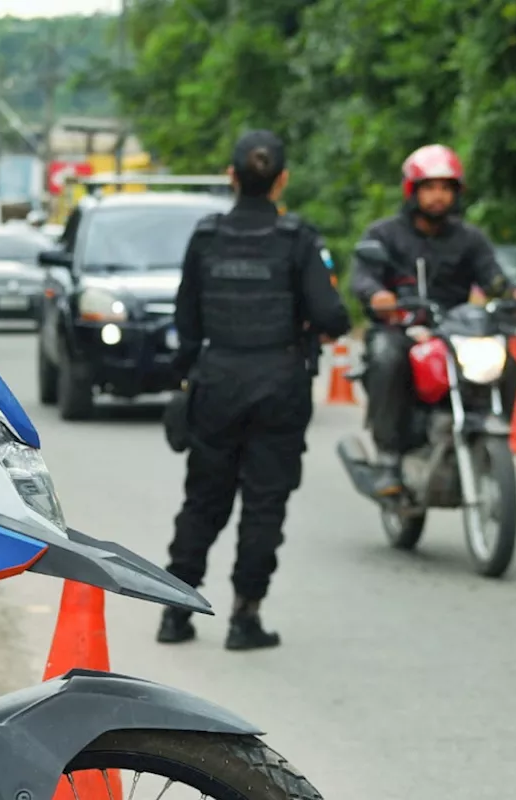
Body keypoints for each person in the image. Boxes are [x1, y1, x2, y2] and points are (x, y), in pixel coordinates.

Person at [157, 130, 352, 651]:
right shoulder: (298, 239)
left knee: (203, 498)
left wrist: (188, 375)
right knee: (265, 504)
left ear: (232, 176)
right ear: (282, 180)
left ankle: (176, 611)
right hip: (279, 386)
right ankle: (245, 617)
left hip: (217, 381)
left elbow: (186, 317)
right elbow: (331, 315)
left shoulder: (206, 236)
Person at [350, 144, 516, 498]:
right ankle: (389, 458)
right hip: (402, 327)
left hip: (452, 331)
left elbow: (493, 278)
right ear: (413, 190)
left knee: (506, 363)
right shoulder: (384, 234)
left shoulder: (469, 238)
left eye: (446, 188)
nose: (438, 196)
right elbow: (363, 276)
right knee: (387, 356)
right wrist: (376, 295)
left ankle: (489, 432)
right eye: (430, 187)